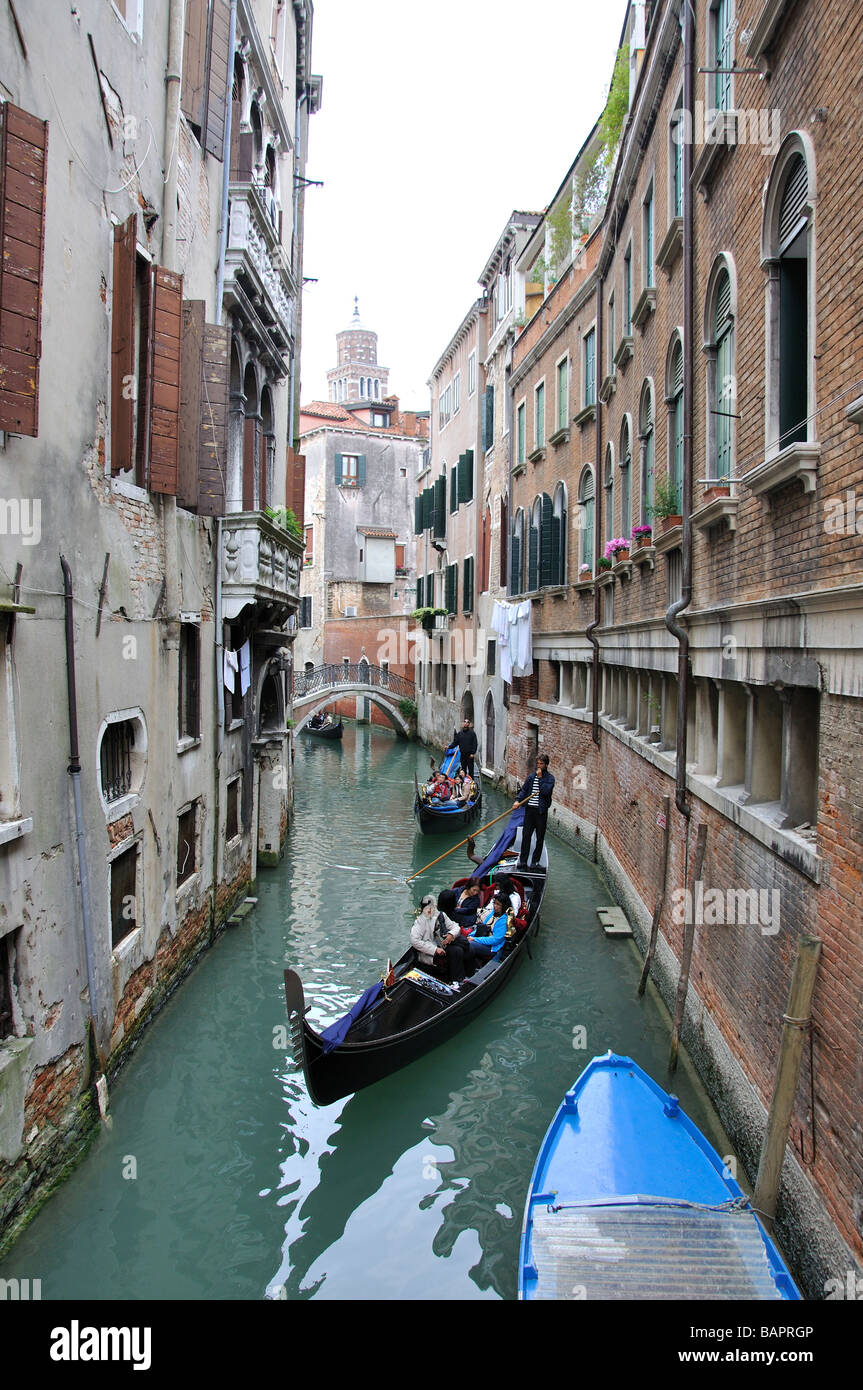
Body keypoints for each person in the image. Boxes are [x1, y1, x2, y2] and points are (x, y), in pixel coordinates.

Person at [410, 893, 471, 985]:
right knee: (456, 951)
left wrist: (451, 935)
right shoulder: (420, 922)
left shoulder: (441, 915)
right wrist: (435, 950)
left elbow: (455, 926)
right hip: (428, 952)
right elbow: (415, 941)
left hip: (443, 944)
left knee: (466, 949)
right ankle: (456, 980)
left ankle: (462, 977)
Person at [513, 753, 555, 869]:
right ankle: (523, 861)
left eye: (541, 764)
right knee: (526, 836)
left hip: (541, 812)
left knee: (540, 838)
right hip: (530, 811)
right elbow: (524, 790)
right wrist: (517, 800)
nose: (539, 766)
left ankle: (535, 862)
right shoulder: (531, 777)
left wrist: (541, 779)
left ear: (546, 765)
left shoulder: (550, 779)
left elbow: (545, 792)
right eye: (538, 763)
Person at [465, 898, 511, 969]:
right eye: (494, 903)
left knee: (469, 944)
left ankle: (473, 966)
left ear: (504, 906)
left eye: (498, 904)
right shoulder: (493, 913)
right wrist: (469, 936)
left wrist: (474, 939)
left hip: (493, 948)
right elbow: (482, 927)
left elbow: (495, 940)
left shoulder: (504, 921)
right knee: (463, 940)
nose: (495, 906)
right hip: (483, 939)